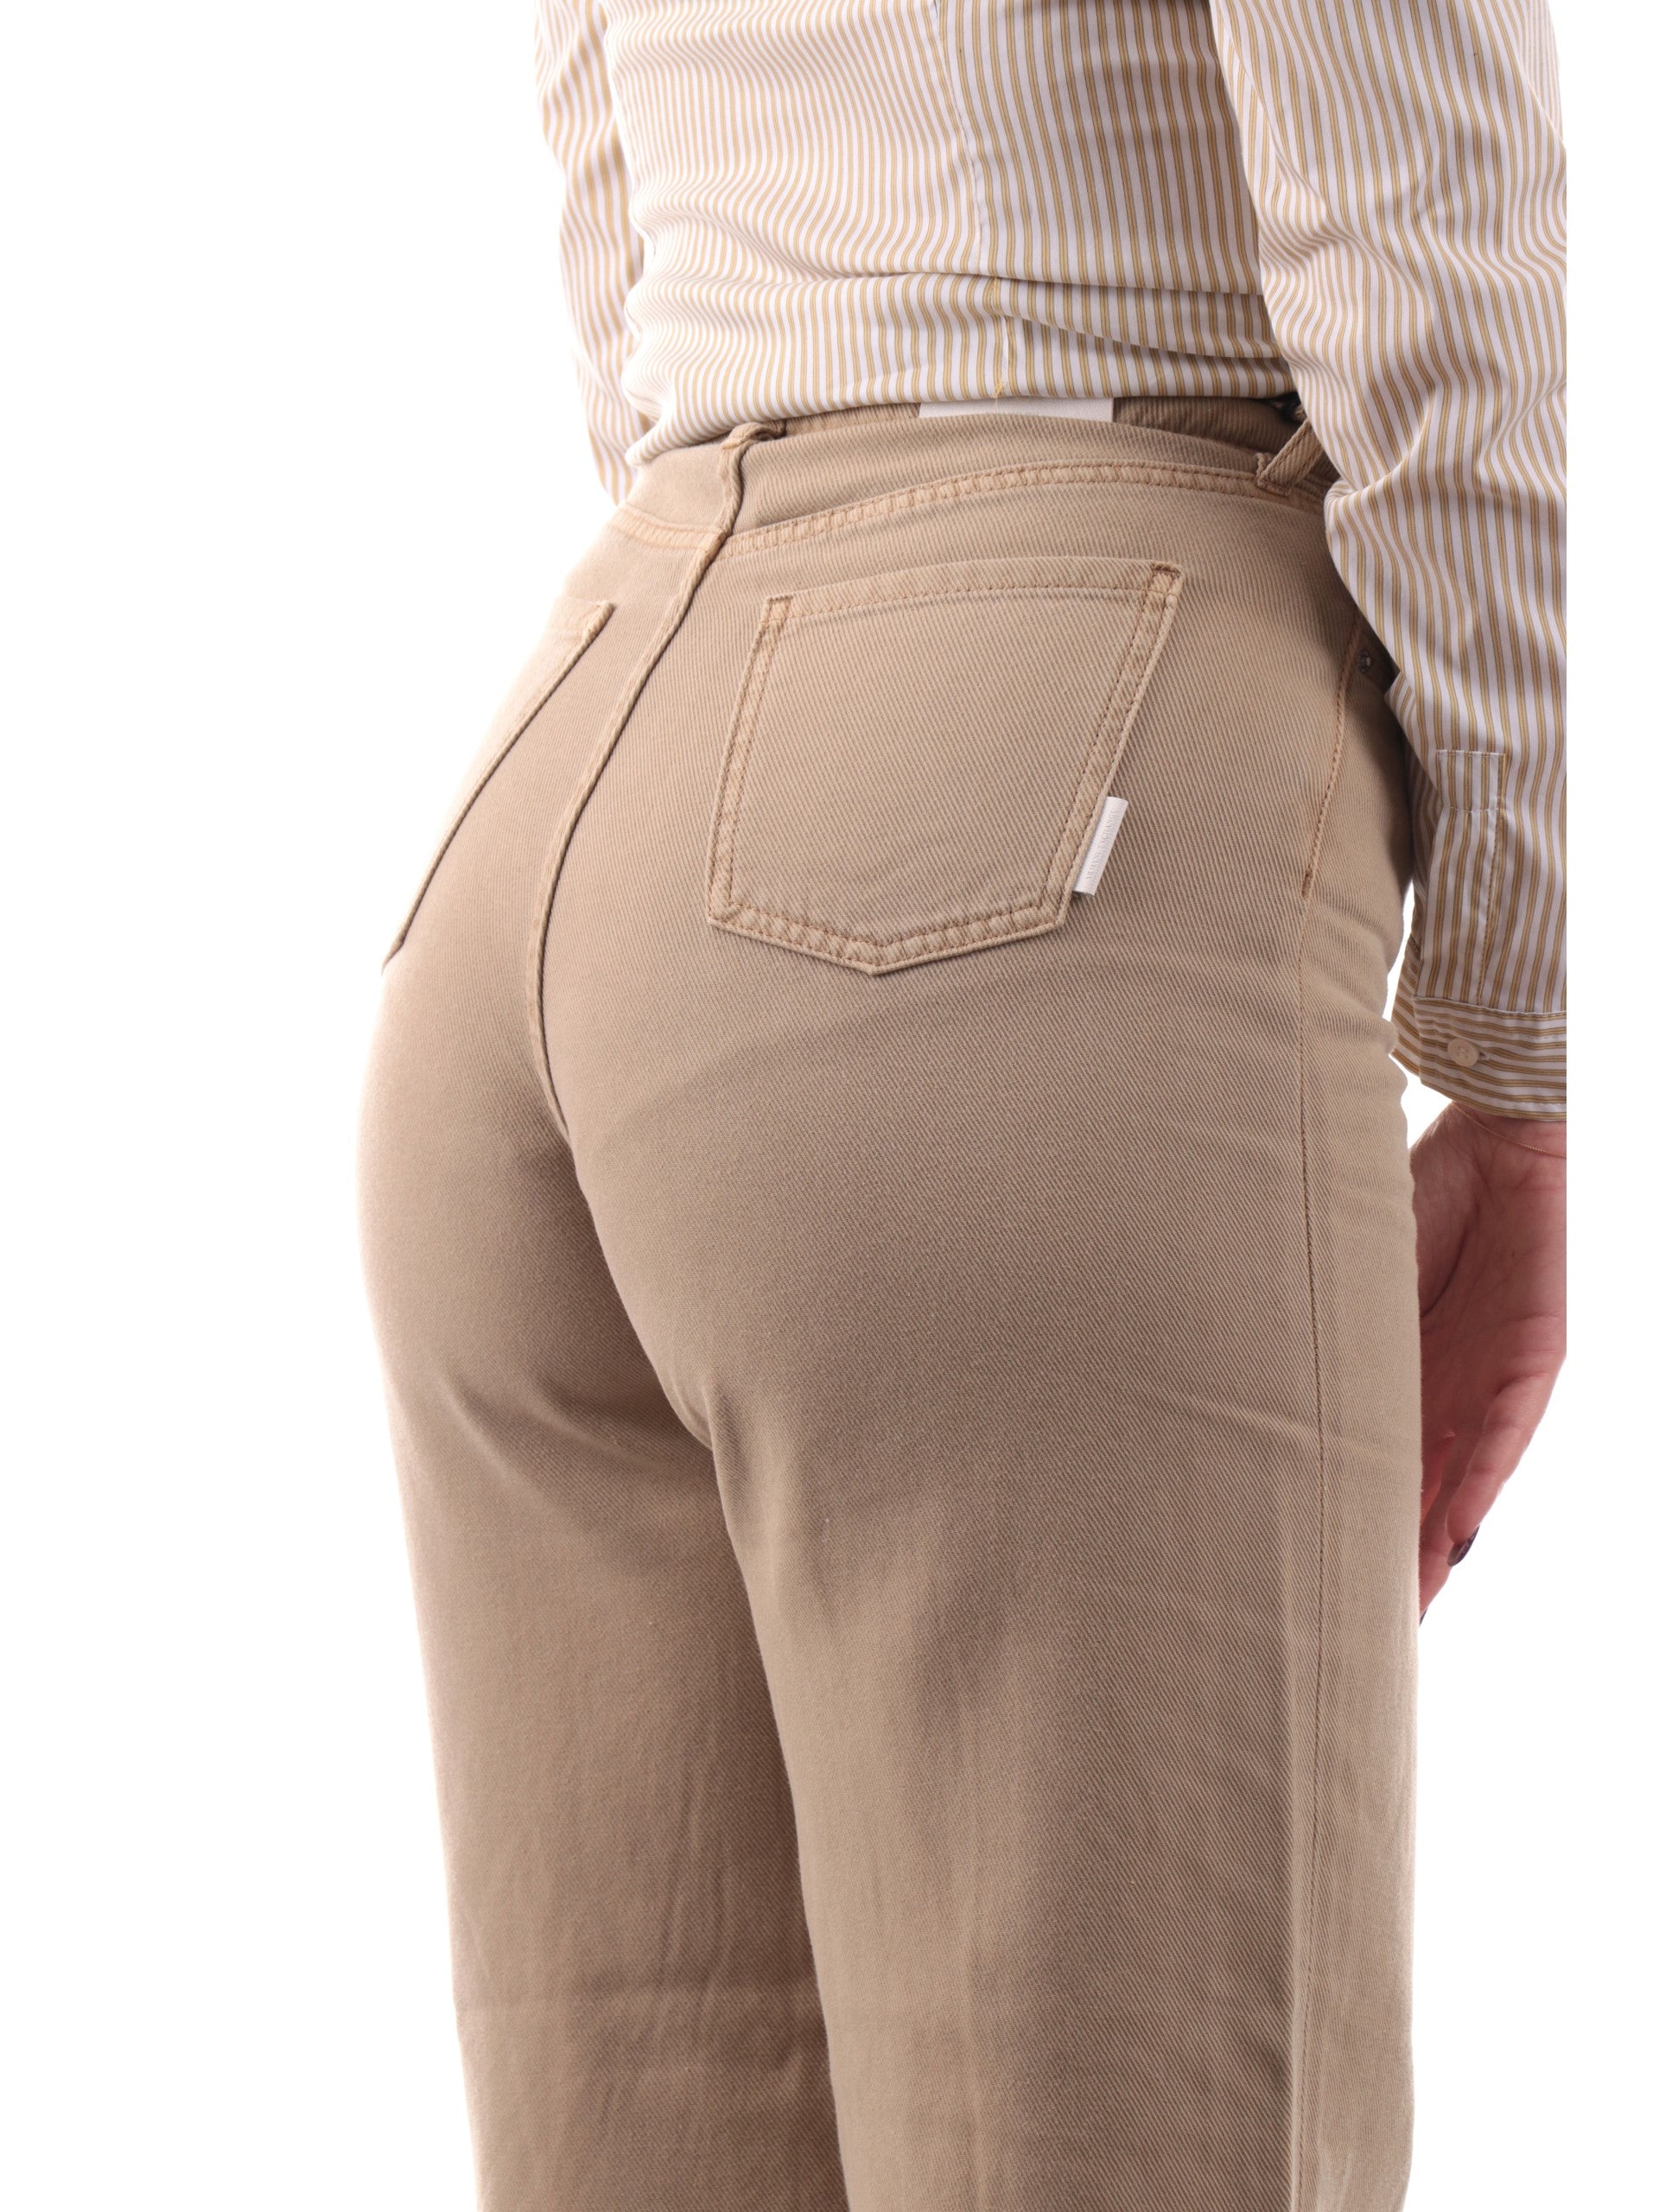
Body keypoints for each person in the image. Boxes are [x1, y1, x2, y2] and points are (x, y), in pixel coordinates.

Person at [356, 3, 1567, 2205]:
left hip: (580, 776)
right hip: (1046, 751)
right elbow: (1423, 216)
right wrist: (1517, 1035)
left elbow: (610, 178)